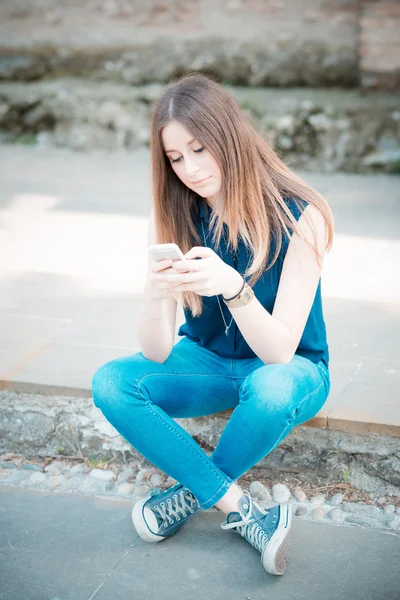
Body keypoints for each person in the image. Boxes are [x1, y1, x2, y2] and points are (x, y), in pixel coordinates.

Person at [91, 72, 334, 576]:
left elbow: (279, 353)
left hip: (292, 368)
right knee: (112, 382)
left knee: (267, 391)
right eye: (176, 159)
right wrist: (154, 294)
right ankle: (243, 512)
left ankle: (189, 494)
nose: (191, 169)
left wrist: (233, 287)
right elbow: (157, 354)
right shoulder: (181, 213)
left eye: (199, 149)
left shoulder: (299, 216)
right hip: (207, 362)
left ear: (228, 135)